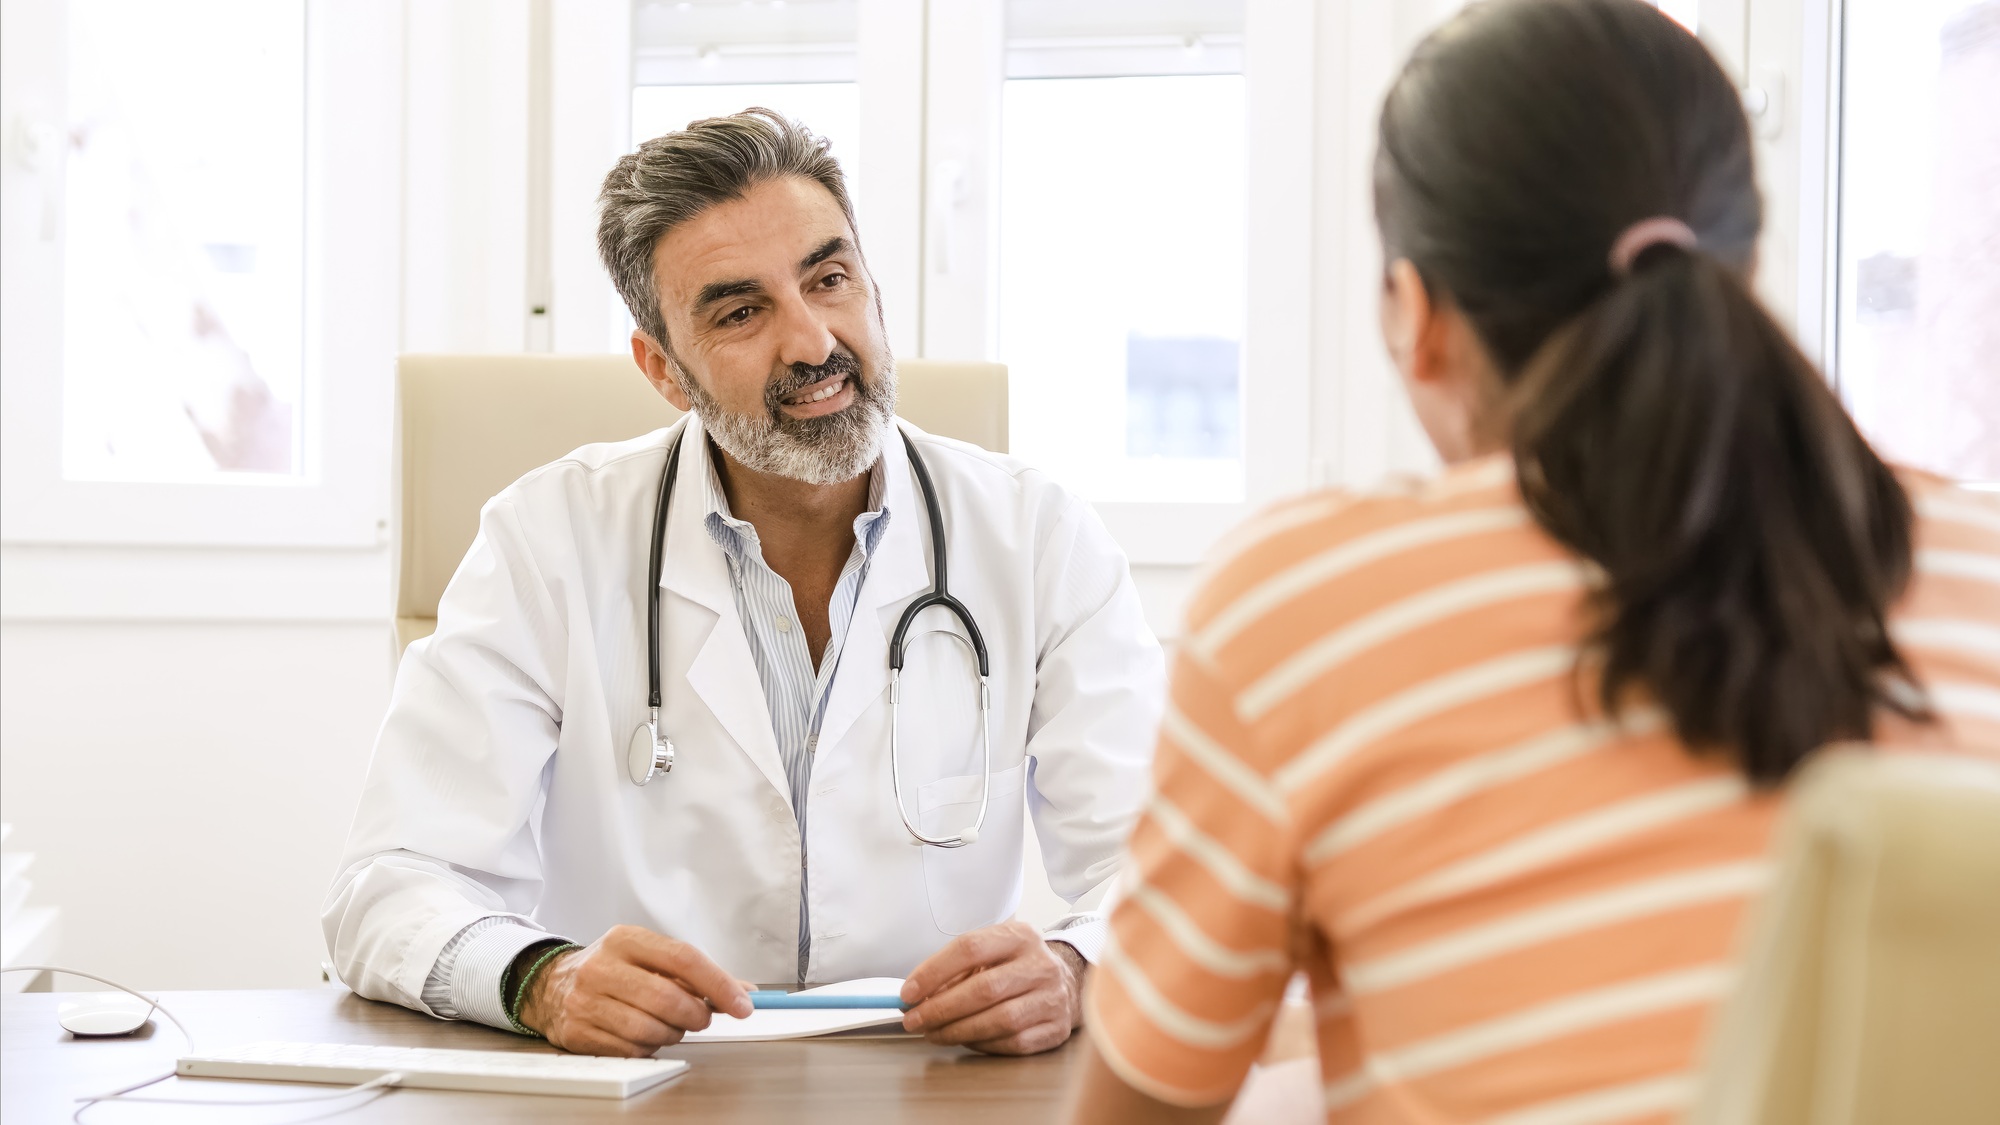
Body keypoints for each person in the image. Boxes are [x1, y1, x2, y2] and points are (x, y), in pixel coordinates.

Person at [1064, 1, 2000, 1121]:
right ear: (1741, 274)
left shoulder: (1302, 612)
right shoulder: (1981, 573)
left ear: (1416, 318)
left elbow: (1146, 1106)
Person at [324, 109, 1165, 1058]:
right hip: (646, 1089)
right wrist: (542, 980)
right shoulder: (547, 540)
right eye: (740, 311)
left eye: (829, 279)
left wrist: (1074, 967)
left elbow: (1171, 871)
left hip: (936, 1084)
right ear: (663, 369)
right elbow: (387, 886)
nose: (812, 342)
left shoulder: (1037, 537)